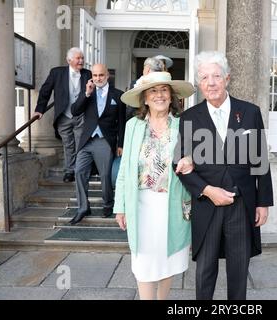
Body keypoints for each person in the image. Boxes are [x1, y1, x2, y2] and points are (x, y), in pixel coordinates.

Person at [174, 51, 274, 300]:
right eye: (205, 77)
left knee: (238, 271)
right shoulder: (188, 118)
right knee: (205, 270)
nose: (211, 82)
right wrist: (207, 190)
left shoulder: (250, 112)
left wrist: (263, 202)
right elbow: (180, 165)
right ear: (199, 83)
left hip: (241, 205)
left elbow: (260, 159)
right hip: (206, 204)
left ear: (227, 78)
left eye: (216, 76)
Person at [113, 71, 195, 300]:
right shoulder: (133, 126)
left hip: (173, 203)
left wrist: (193, 162)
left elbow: (196, 162)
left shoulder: (184, 125)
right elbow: (124, 169)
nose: (159, 95)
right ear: (145, 99)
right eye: (153, 91)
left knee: (167, 260)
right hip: (140, 204)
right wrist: (120, 205)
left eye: (164, 90)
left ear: (172, 96)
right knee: (143, 262)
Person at [69, 64, 126, 225]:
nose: (98, 78)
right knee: (79, 171)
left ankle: (108, 205)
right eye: (95, 75)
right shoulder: (88, 93)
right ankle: (82, 207)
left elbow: (122, 123)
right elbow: (75, 111)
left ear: (107, 75)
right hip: (87, 141)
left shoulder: (118, 95)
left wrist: (120, 144)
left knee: (105, 176)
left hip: (105, 141)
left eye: (101, 75)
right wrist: (86, 94)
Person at [33, 47, 92, 183]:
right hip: (63, 115)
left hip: (81, 115)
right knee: (68, 144)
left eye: (82, 58)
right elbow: (45, 91)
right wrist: (39, 109)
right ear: (69, 60)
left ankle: (79, 171)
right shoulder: (57, 73)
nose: (81, 61)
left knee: (80, 144)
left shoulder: (87, 74)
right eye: (78, 58)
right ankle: (69, 170)